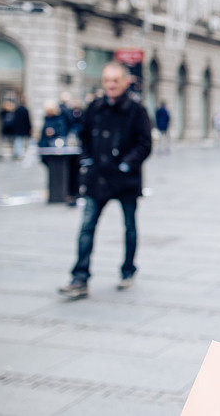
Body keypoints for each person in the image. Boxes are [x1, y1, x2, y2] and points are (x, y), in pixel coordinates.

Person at [58, 62, 152, 299]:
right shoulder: (95, 107)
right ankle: (80, 277)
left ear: (124, 82)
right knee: (86, 227)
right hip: (97, 178)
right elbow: (84, 136)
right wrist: (87, 159)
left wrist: (126, 164)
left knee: (129, 226)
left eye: (115, 81)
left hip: (125, 180)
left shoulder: (136, 109)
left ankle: (128, 269)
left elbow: (145, 144)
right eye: (107, 81)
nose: (110, 85)